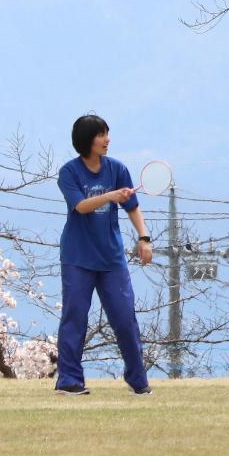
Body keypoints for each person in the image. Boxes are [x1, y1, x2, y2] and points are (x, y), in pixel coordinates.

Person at [53, 113, 154, 395]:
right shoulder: (69, 172)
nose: (107, 140)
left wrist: (144, 238)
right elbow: (81, 206)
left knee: (125, 318)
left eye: (107, 134)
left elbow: (133, 206)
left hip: (111, 259)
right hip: (77, 257)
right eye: (101, 135)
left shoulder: (118, 169)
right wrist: (110, 196)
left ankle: (138, 381)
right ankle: (69, 381)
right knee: (75, 318)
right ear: (87, 140)